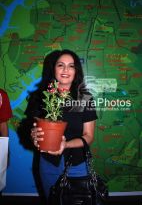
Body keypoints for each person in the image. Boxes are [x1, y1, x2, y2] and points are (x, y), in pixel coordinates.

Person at [30, 49, 98, 202]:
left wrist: (66, 144)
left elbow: (89, 136)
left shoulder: (85, 99)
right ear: (54, 69)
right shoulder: (41, 97)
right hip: (48, 163)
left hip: (77, 164)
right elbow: (36, 129)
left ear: (76, 71)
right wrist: (34, 136)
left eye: (71, 66)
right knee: (52, 200)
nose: (66, 70)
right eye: (61, 65)